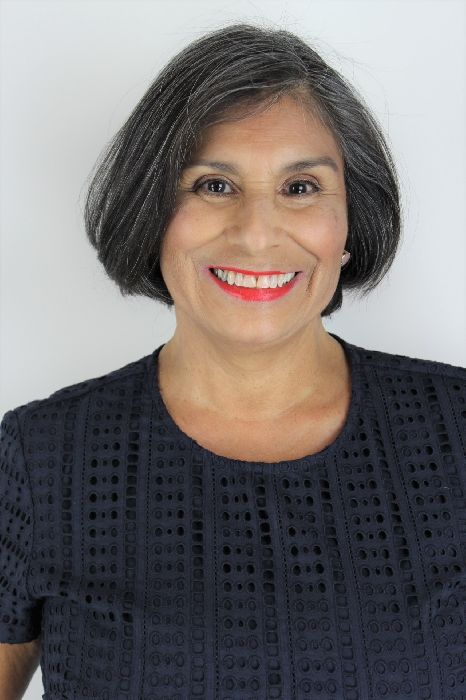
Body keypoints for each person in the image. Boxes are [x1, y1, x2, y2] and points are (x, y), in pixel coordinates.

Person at [0, 22, 465, 700]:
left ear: (349, 223)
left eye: (301, 187)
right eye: (214, 185)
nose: (256, 234)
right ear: (152, 214)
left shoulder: (457, 431)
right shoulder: (40, 459)